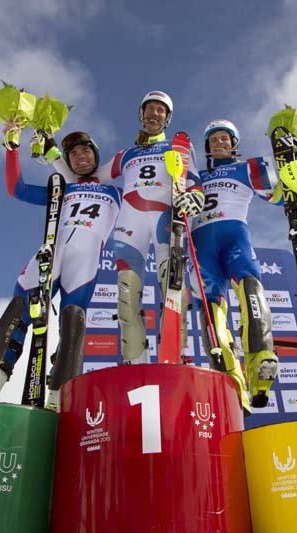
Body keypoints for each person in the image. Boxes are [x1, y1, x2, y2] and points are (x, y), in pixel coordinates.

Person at [0, 127, 120, 409]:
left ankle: (62, 397)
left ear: (96, 156)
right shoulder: (62, 188)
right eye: (73, 154)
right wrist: (12, 148)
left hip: (84, 262)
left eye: (85, 152)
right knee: (19, 309)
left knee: (73, 321)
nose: (80, 157)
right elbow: (16, 189)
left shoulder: (115, 191)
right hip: (52, 252)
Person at [94, 91, 204, 364]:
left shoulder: (178, 147)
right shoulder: (125, 154)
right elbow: (90, 177)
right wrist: (52, 154)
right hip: (130, 222)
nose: (154, 114)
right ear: (141, 114)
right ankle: (135, 359)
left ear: (167, 118)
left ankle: (174, 355)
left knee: (173, 286)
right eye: (150, 109)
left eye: (160, 110)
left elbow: (195, 184)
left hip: (165, 219)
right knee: (126, 293)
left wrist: (195, 198)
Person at [189, 119, 285, 414]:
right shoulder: (196, 175)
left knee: (250, 288)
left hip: (234, 237)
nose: (219, 143)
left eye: (225, 139)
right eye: (214, 139)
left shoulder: (248, 168)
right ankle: (232, 384)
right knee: (211, 312)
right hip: (201, 244)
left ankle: (260, 366)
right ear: (207, 147)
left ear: (234, 144)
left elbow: (278, 197)